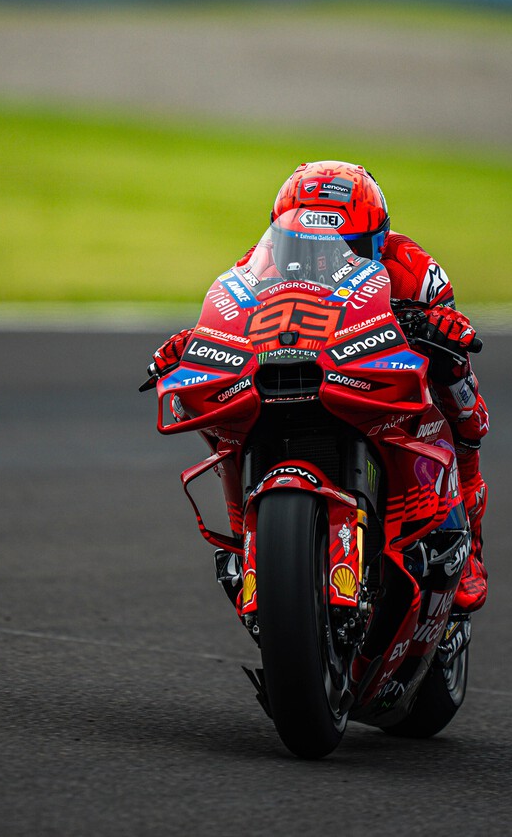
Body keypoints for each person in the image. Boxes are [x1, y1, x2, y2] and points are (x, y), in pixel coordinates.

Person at [149, 161, 489, 612]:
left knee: (462, 403)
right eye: (303, 244)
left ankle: (469, 544)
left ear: (379, 240)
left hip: (374, 369)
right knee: (214, 409)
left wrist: (443, 327)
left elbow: (452, 326)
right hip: (299, 364)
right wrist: (193, 342)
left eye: (350, 246)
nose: (326, 258)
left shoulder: (415, 270)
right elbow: (227, 316)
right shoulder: (254, 265)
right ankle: (246, 533)